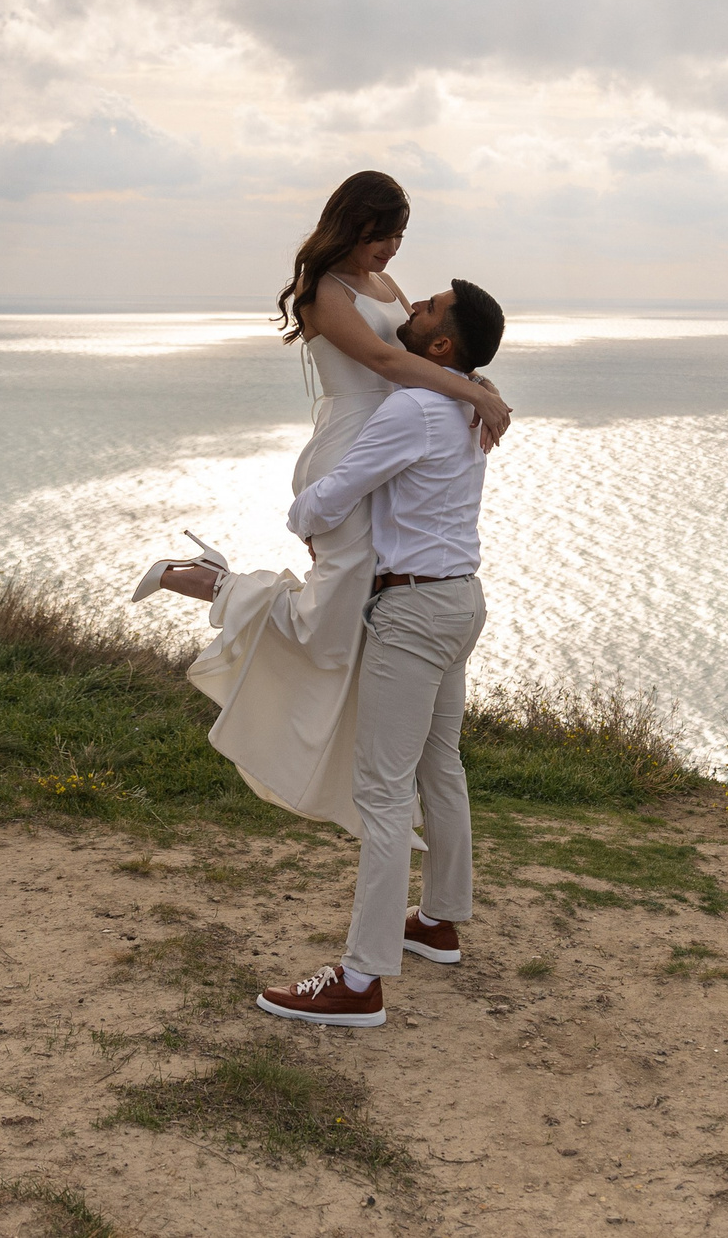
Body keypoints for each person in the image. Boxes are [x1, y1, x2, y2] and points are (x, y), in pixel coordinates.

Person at [131, 171, 508, 838]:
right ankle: (209, 582)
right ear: (357, 224)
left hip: (393, 450)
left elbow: (423, 353)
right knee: (326, 630)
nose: (393, 251)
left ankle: (372, 764)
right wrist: (472, 394)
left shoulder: (385, 287)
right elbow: (388, 366)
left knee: (360, 625)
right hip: (347, 451)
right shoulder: (322, 292)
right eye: (384, 235)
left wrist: (472, 377)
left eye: (400, 238)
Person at [251, 280, 504, 1025]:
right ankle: (439, 919)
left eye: (424, 309)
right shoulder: (461, 398)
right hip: (460, 599)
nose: (409, 309)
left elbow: (339, 490)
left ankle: (360, 980)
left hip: (415, 609)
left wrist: (301, 514)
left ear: (440, 345)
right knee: (440, 762)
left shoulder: (417, 407)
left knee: (383, 790)